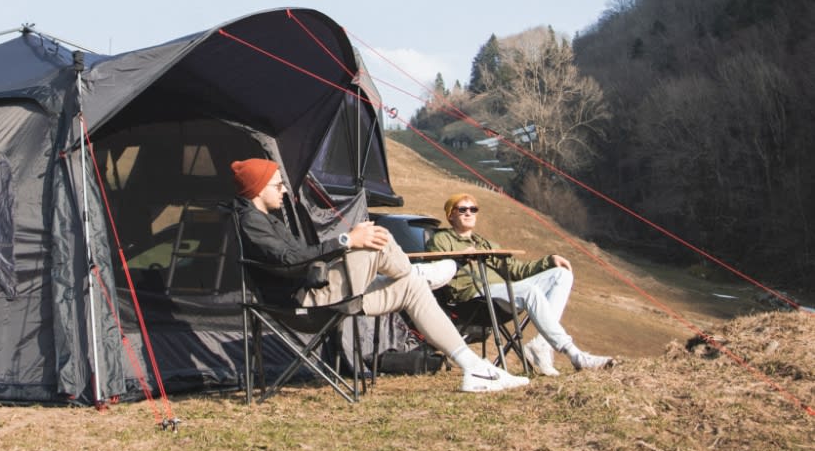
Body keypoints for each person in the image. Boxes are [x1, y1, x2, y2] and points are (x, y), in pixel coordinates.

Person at [231, 158, 529, 393]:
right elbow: (291, 260)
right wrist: (347, 241)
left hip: (322, 291)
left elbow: (301, 256)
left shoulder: (267, 220)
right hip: (306, 300)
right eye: (277, 185)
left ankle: (474, 369)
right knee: (377, 240)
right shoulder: (251, 222)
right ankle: (420, 273)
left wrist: (344, 245)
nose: (283, 190)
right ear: (258, 188)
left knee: (411, 286)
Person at [426, 193, 615, 375]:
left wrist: (548, 261)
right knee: (529, 291)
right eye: (462, 209)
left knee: (561, 275)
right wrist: (460, 258)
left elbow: (516, 270)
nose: (469, 213)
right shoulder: (440, 240)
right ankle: (575, 355)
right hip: (474, 299)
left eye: (473, 209)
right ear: (450, 215)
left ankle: (541, 345)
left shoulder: (485, 243)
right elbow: (438, 271)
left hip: (502, 293)